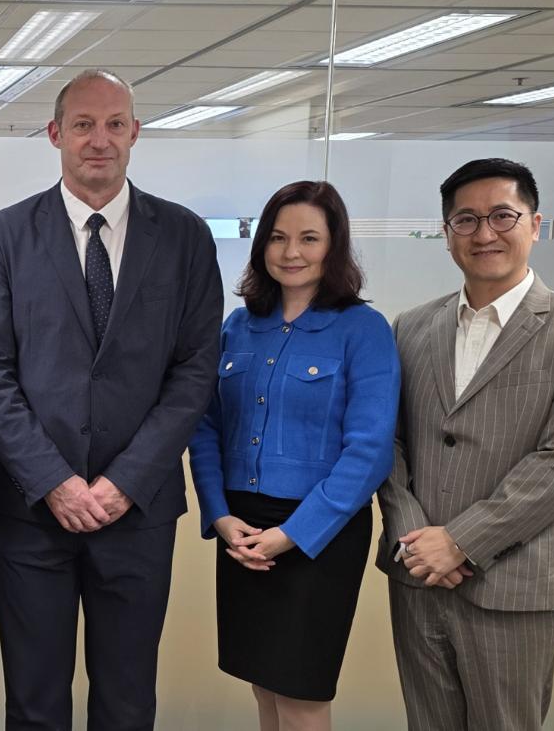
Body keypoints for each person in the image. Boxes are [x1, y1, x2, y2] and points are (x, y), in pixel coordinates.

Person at [0, 69, 222, 730]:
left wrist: (121, 483)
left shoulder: (185, 237)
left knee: (128, 699)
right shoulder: (3, 235)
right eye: (82, 124)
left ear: (135, 133)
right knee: (32, 700)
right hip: (28, 509)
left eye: (113, 124)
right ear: (55, 134)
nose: (98, 139)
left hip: (135, 512)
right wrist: (54, 481)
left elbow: (193, 372)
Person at [377, 158, 554, 731]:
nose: (484, 233)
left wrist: (459, 542)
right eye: (466, 220)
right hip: (418, 576)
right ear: (446, 235)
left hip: (516, 585)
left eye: (502, 216)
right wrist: (415, 538)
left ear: (536, 224)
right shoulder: (411, 327)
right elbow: (386, 443)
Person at [187, 180, 398, 730]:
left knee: (301, 694)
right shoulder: (239, 326)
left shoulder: (363, 330)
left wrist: (294, 533)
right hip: (241, 527)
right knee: (262, 684)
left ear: (334, 246)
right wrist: (219, 515)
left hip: (317, 535)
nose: (291, 252)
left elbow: (370, 451)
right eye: (278, 238)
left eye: (309, 238)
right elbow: (205, 426)